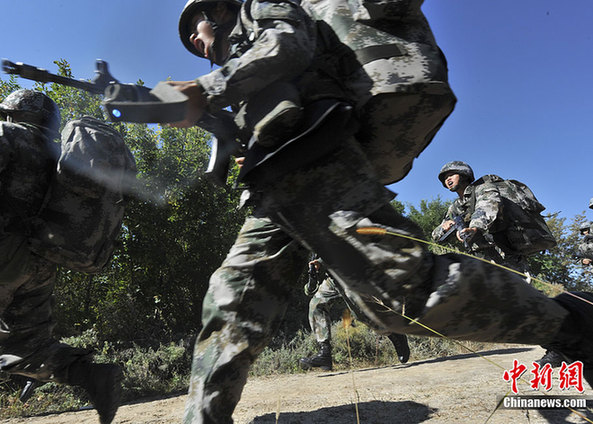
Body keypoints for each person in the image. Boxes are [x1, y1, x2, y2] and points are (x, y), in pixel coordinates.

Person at [168, 1, 593, 423]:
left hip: (320, 155)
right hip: (277, 188)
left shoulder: (261, 7)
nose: (194, 39)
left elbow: (287, 44)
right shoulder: (241, 66)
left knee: (400, 297)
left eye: (196, 25)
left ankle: (575, 324)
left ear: (220, 9)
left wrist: (205, 88)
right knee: (232, 299)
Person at [0, 89, 122, 424]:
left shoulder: (8, 134)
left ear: (12, 112)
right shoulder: (57, 154)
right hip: (39, 261)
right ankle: (90, 376)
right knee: (28, 345)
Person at [300, 255, 410, 371]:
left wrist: (322, 262)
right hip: (333, 280)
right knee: (316, 304)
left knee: (363, 314)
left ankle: (394, 333)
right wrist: (312, 277)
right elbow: (310, 290)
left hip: (351, 275)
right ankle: (325, 353)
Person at [431, 161, 530, 275]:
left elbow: (487, 207)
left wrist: (474, 228)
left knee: (516, 290)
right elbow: (436, 236)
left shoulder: (483, 188)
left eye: (451, 175)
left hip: (504, 253)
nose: (448, 179)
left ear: (463, 174)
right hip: (479, 260)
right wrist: (443, 228)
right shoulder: (454, 208)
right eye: (445, 178)